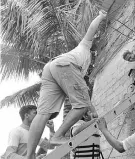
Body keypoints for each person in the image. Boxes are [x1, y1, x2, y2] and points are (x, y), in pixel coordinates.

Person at [26, 11, 107, 159]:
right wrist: (101, 16)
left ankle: (29, 156)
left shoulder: (82, 64)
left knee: (43, 114)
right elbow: (91, 29)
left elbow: (81, 91)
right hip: (64, 65)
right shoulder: (84, 45)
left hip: (50, 69)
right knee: (81, 105)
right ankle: (58, 136)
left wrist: (92, 110)